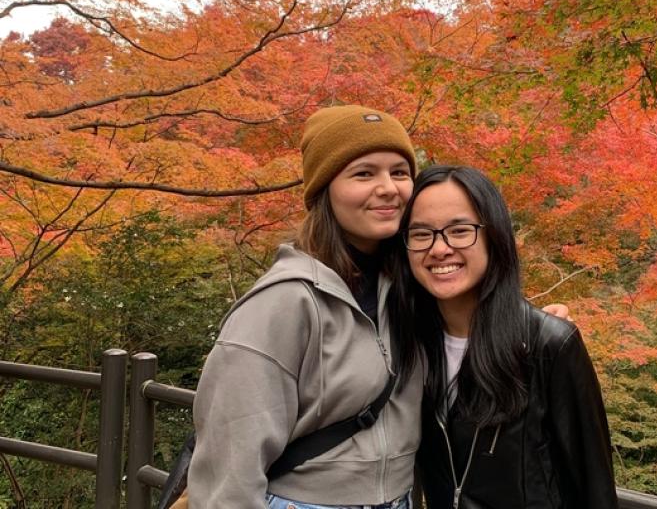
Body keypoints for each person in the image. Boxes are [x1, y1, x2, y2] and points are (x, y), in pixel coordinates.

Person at [187, 105, 424, 508]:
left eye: (399, 172)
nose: (388, 188)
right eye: (363, 173)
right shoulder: (284, 300)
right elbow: (231, 459)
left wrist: (542, 328)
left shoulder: (410, 286)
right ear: (324, 189)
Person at [392, 165, 618, 508]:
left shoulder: (549, 344)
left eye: (459, 230)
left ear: (493, 236)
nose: (439, 249)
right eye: (422, 234)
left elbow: (594, 488)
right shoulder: (409, 345)